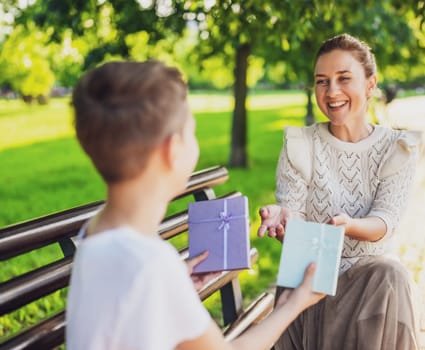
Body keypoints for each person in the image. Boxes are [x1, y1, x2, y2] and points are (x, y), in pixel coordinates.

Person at [66, 60, 325, 350]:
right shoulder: (152, 263)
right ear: (172, 150)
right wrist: (292, 304)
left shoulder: (96, 234)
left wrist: (175, 287)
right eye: (192, 132)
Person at [258, 33, 420, 349]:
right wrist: (284, 219)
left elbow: (386, 221)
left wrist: (349, 226)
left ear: (370, 84)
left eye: (344, 78)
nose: (332, 92)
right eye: (322, 81)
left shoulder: (396, 148)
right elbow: (294, 219)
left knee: (392, 275)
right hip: (310, 283)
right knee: (389, 277)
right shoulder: (300, 145)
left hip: (367, 286)